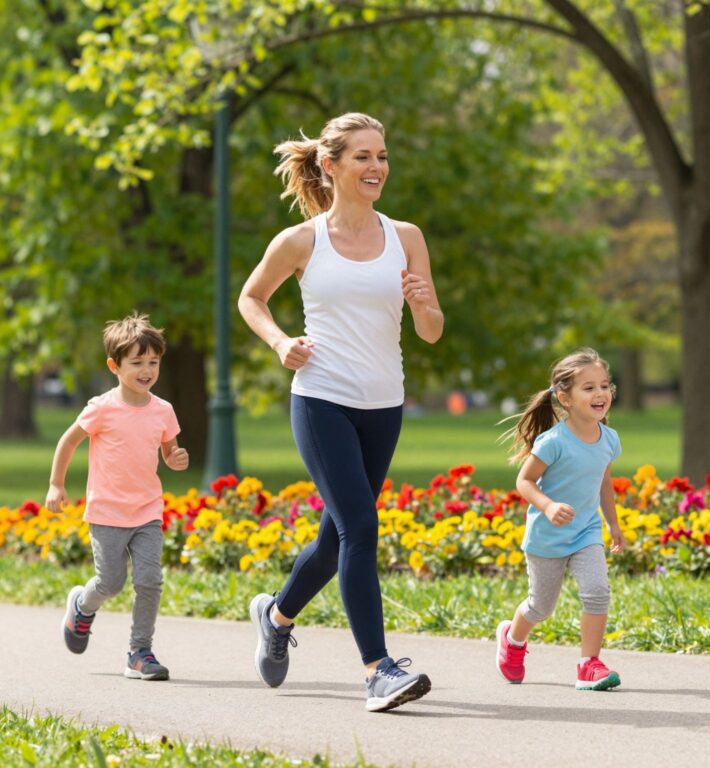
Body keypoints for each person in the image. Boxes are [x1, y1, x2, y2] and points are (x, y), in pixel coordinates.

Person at [238, 112, 443, 713]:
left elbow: (430, 333)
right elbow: (251, 298)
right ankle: (379, 670)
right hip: (321, 396)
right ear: (330, 166)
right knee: (360, 526)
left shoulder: (406, 237)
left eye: (382, 155)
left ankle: (275, 615)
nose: (376, 166)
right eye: (363, 156)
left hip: (384, 404)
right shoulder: (302, 241)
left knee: (335, 540)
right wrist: (280, 343)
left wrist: (425, 304)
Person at [46, 312, 188, 681]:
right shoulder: (102, 408)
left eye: (153, 362)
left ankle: (139, 651)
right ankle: (81, 604)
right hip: (107, 512)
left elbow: (169, 452)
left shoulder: (163, 410)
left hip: (147, 512)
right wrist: (56, 484)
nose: (147, 370)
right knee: (110, 583)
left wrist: (175, 459)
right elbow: (68, 441)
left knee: (150, 580)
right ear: (115, 365)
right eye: (137, 362)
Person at [495, 348, 625, 690]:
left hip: (586, 531)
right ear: (565, 398)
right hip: (547, 537)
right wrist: (548, 505)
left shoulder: (609, 439)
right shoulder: (553, 441)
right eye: (589, 388)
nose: (600, 394)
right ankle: (513, 639)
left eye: (605, 385)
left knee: (597, 592)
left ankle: (588, 665)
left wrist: (613, 523)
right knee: (540, 607)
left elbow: (604, 482)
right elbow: (524, 481)